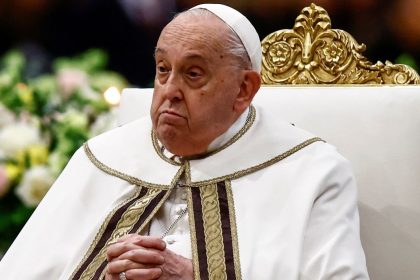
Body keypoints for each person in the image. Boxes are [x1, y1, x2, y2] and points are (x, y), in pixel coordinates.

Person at [0, 3, 369, 280]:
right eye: (163, 69)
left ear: (244, 89)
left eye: (193, 74)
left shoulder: (311, 173)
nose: (170, 91)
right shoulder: (103, 157)